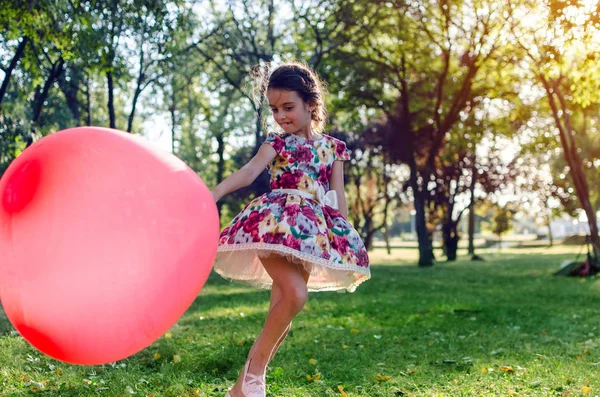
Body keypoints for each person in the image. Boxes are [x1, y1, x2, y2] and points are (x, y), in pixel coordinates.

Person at [211, 62, 370, 397]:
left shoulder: (333, 148)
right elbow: (250, 171)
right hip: (274, 224)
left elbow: (337, 195)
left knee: (283, 308)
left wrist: (339, 240)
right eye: (274, 109)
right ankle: (254, 371)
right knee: (295, 295)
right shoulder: (277, 142)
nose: (281, 116)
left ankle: (241, 389)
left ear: (310, 105)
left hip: (311, 232)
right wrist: (214, 192)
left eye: (288, 107)